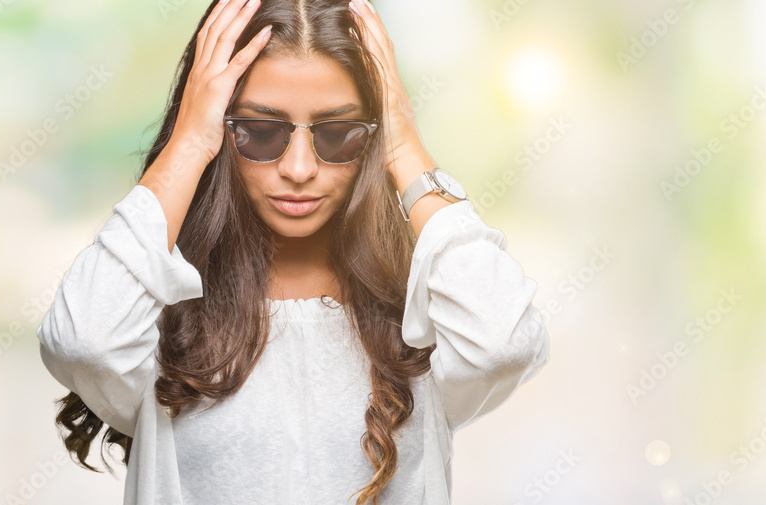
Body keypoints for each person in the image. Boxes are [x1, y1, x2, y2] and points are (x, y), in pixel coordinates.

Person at [35, 0, 550, 503]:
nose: (300, 168)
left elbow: (504, 343)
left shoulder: (425, 318)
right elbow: (85, 341)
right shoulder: (158, 314)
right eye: (259, 132)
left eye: (339, 133)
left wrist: (405, 149)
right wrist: (188, 142)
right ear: (219, 127)